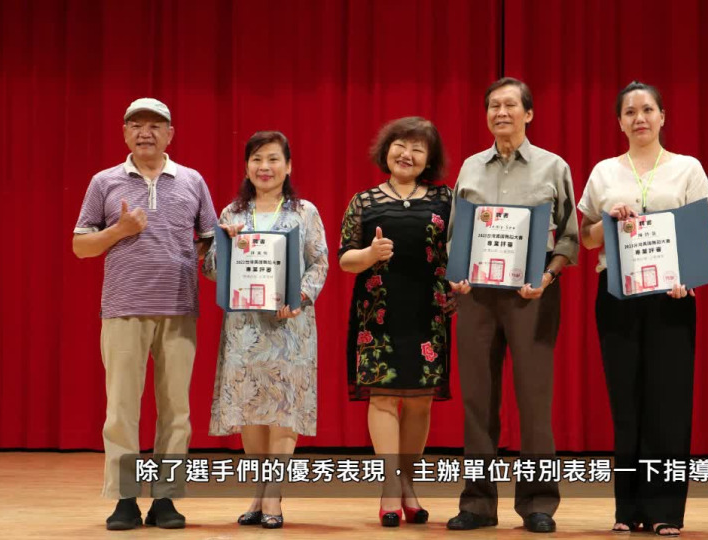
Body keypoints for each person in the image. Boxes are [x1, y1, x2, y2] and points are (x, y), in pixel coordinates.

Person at [576, 81, 708, 537]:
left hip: (672, 296)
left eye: (648, 109)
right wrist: (607, 220)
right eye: (630, 112)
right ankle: (628, 508)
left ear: (662, 117)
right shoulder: (604, 171)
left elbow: (706, 233)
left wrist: (687, 277)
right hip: (617, 294)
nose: (639, 118)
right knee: (626, 402)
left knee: (669, 402)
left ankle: (665, 510)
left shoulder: (687, 168)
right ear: (619, 122)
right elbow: (586, 239)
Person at [72, 98, 218, 530]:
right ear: (124, 133)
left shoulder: (192, 180)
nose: (145, 132)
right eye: (136, 125)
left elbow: (210, 241)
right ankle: (124, 499)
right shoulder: (104, 181)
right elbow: (80, 246)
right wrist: (119, 230)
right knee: (121, 410)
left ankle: (165, 500)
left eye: (155, 125)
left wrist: (230, 249)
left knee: (176, 410)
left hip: (179, 309)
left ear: (170, 134)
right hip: (123, 309)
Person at [445, 77, 578, 534]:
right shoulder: (470, 168)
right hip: (476, 297)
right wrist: (457, 271)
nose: (501, 112)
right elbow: (455, 235)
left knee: (534, 401)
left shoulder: (553, 167)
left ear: (529, 113)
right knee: (477, 401)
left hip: (532, 295)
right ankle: (477, 504)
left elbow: (568, 235)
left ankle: (539, 503)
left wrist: (548, 275)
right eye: (493, 106)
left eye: (510, 105)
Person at [203, 131, 329, 529]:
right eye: (257, 159)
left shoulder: (304, 212)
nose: (265, 167)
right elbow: (211, 270)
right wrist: (223, 243)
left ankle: (274, 496)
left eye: (274, 159)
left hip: (290, 326)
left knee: (284, 409)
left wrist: (301, 296)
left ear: (288, 166)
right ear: (246, 167)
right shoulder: (232, 214)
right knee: (250, 410)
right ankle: (258, 493)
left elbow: (320, 263)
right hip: (244, 330)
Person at [338, 117, 453, 527]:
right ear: (386, 151)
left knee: (420, 401)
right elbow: (345, 259)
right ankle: (390, 488)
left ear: (429, 159)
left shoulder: (445, 199)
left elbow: (460, 249)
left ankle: (408, 487)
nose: (407, 154)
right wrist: (370, 254)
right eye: (400, 145)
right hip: (378, 314)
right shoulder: (364, 201)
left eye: (418, 149)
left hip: (428, 312)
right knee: (383, 398)